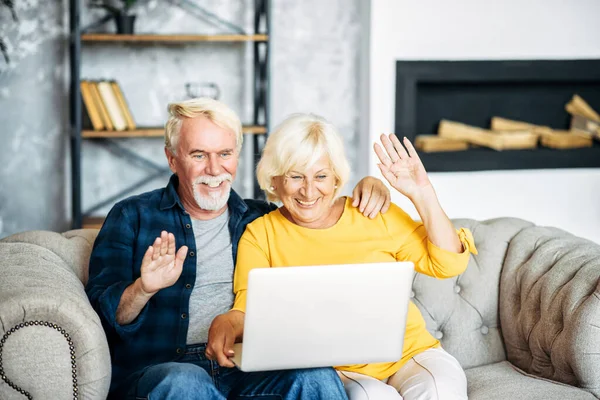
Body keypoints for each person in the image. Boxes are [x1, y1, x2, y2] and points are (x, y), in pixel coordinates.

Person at [85, 98, 392, 400]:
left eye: (225, 153)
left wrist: (367, 187)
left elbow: (318, 205)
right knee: (185, 381)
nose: (215, 169)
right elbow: (101, 316)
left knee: (316, 376)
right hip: (166, 369)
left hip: (250, 368)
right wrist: (143, 289)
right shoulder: (132, 216)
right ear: (172, 159)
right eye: (198, 155)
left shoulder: (263, 218)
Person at [207, 113, 478, 400]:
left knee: (440, 390)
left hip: (411, 354)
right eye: (295, 176)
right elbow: (248, 310)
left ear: (336, 177)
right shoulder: (261, 234)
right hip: (342, 370)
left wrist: (422, 193)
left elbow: (447, 263)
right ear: (275, 179)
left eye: (321, 176)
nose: (309, 191)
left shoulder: (372, 212)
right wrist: (226, 323)